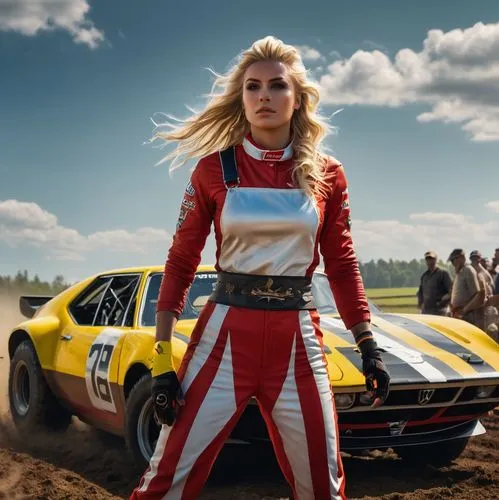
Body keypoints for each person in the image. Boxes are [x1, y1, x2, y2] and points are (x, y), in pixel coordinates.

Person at [129, 36, 390, 500]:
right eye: (253, 87)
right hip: (223, 339)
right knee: (167, 483)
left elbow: (343, 263)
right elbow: (181, 260)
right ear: (242, 98)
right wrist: (162, 358)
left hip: (299, 343)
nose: (264, 96)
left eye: (276, 86)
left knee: (324, 488)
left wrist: (366, 342)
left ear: (298, 99)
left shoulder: (328, 174)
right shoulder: (211, 170)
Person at [448, 248, 485, 329]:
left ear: (461, 258)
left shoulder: (468, 270)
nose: (453, 263)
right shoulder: (460, 272)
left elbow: (476, 295)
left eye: (453, 260)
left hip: (467, 315)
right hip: (459, 314)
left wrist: (464, 310)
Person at [417, 250, 452, 315]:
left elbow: (451, 290)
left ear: (436, 260)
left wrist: (444, 300)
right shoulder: (424, 276)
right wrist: (420, 305)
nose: (430, 261)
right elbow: (420, 292)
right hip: (426, 311)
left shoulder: (443, 273)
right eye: (428, 259)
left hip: (440, 310)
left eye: (432, 259)